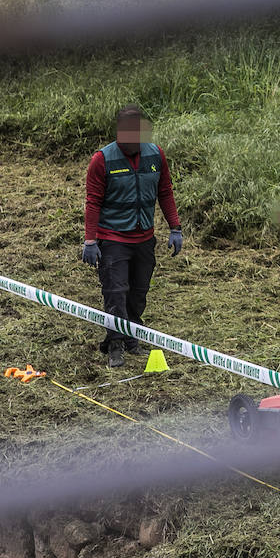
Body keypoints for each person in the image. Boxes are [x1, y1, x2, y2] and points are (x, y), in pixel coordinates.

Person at [81, 105, 183, 367]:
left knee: (139, 292)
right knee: (115, 292)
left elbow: (165, 192)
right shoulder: (102, 160)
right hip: (113, 237)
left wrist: (175, 227)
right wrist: (90, 240)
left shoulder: (155, 155)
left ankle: (132, 337)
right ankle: (115, 344)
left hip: (144, 238)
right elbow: (93, 202)